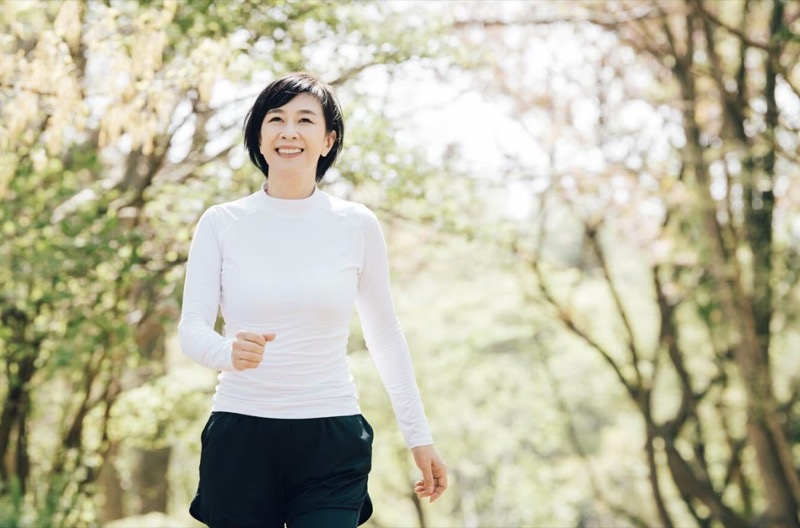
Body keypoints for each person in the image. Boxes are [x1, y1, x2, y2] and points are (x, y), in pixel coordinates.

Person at [178, 72, 447, 528]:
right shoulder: (221, 222)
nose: (289, 131)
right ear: (259, 138)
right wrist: (228, 352)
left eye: (305, 120)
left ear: (327, 140)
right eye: (276, 119)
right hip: (241, 433)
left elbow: (385, 336)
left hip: (331, 433)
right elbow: (191, 328)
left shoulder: (356, 224)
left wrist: (418, 438)